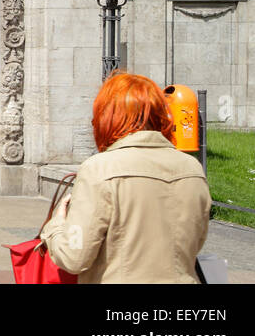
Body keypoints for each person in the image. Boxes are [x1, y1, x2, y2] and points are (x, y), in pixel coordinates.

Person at [40, 72, 210, 283]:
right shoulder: (191, 168)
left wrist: (55, 226)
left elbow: (73, 257)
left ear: (108, 117)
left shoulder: (99, 169)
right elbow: (196, 242)